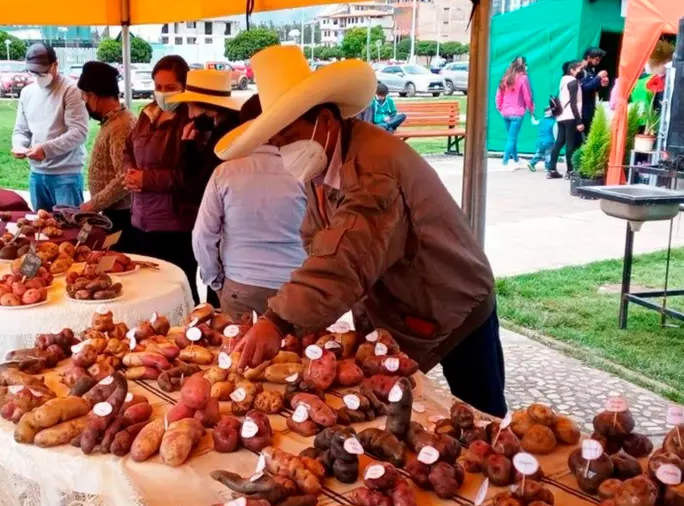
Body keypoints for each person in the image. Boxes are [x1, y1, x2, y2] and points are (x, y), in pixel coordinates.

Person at [215, 45, 504, 417]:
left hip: (453, 301)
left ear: (325, 119)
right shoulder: (321, 161)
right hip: (395, 305)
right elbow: (320, 244)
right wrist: (309, 312)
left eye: (288, 136)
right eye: (277, 142)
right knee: (400, 407)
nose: (284, 150)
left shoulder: (374, 170)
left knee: (485, 416)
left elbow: (347, 254)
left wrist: (279, 319)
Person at [192, 96, 307, 319]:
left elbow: (202, 236)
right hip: (294, 286)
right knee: (296, 352)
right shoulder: (305, 173)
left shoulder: (225, 173)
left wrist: (214, 279)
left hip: (240, 284)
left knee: (236, 352)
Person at [122, 56, 197, 302]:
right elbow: (128, 148)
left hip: (174, 224)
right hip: (141, 220)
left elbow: (190, 176)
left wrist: (147, 180)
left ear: (185, 87)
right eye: (158, 87)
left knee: (176, 294)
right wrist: (130, 173)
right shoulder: (147, 113)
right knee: (143, 293)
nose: (163, 94)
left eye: (170, 88)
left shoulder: (192, 121)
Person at [168, 68, 244, 306]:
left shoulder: (223, 139)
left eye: (192, 107)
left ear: (210, 108)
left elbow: (196, 187)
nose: (189, 114)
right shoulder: (225, 130)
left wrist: (188, 147)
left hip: (226, 241)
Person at [12, 43, 88, 211]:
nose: (40, 76)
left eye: (44, 71)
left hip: (66, 175)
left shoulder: (72, 90)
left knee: (70, 229)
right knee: (40, 230)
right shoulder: (27, 92)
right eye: (35, 72)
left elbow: (79, 132)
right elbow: (21, 130)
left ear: (56, 64)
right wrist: (19, 145)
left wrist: (46, 149)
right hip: (37, 174)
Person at [76, 61, 136, 241]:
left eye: (85, 97)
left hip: (120, 216)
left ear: (94, 96)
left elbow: (125, 177)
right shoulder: (115, 121)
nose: (84, 102)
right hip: (113, 211)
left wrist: (94, 204)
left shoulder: (121, 126)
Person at [547, 60, 584, 179]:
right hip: (570, 117)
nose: (581, 71)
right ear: (572, 70)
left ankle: (552, 170)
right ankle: (570, 171)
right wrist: (579, 121)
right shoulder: (573, 82)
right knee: (570, 144)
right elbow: (574, 104)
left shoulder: (563, 80)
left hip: (561, 116)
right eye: (579, 68)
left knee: (558, 143)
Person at [495, 57, 534, 170]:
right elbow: (527, 96)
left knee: (512, 137)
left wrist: (501, 108)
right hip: (517, 113)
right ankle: (505, 162)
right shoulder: (523, 78)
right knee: (512, 139)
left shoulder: (505, 77)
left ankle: (516, 159)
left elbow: (499, 95)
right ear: (523, 66)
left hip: (506, 112)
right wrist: (531, 109)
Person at [578, 48, 609, 134]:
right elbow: (583, 90)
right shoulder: (579, 70)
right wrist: (598, 77)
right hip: (581, 111)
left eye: (599, 60)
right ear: (588, 57)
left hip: (590, 109)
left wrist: (601, 84)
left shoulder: (591, 70)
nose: (598, 62)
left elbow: (592, 88)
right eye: (596, 60)